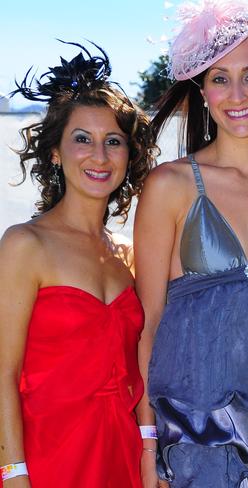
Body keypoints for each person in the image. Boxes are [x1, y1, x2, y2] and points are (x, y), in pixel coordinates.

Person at [134, 1, 248, 486]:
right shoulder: (169, 185)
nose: (236, 94)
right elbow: (147, 322)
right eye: (219, 78)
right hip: (194, 427)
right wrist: (147, 440)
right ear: (203, 92)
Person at [0, 42, 156, 488]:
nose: (99, 156)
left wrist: (148, 449)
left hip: (122, 458)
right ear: (54, 152)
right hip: (45, 462)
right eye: (82, 139)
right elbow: (2, 373)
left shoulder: (129, 254)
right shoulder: (24, 245)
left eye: (113, 142)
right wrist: (13, 474)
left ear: (129, 156)